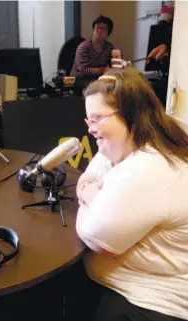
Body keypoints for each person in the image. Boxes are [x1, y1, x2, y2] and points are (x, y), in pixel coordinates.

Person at [75, 68, 188, 321]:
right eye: (88, 121)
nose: (90, 130)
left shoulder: (149, 167)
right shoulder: (127, 143)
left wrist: (92, 200)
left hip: (155, 301)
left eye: (96, 119)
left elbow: (94, 236)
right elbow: (86, 179)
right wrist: (93, 195)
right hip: (128, 283)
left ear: (130, 115)